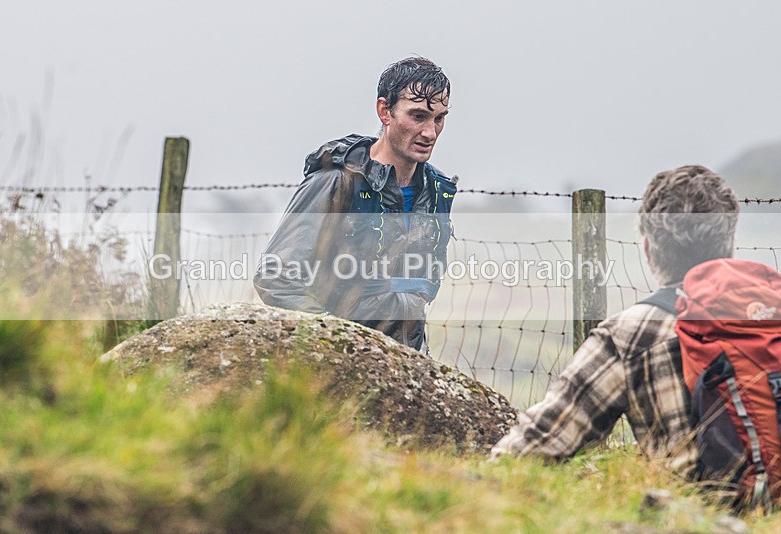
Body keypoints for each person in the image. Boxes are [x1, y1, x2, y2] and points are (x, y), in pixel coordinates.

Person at [491, 165, 740, 479]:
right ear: (729, 244)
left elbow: (535, 446)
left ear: (648, 249)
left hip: (696, 506)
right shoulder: (768, 314)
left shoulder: (633, 333)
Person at [253, 57, 457, 350]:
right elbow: (275, 277)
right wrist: (339, 341)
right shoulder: (337, 180)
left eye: (439, 119)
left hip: (408, 361)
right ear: (384, 111)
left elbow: (414, 297)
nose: (430, 132)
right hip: (335, 360)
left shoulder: (437, 191)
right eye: (417, 116)